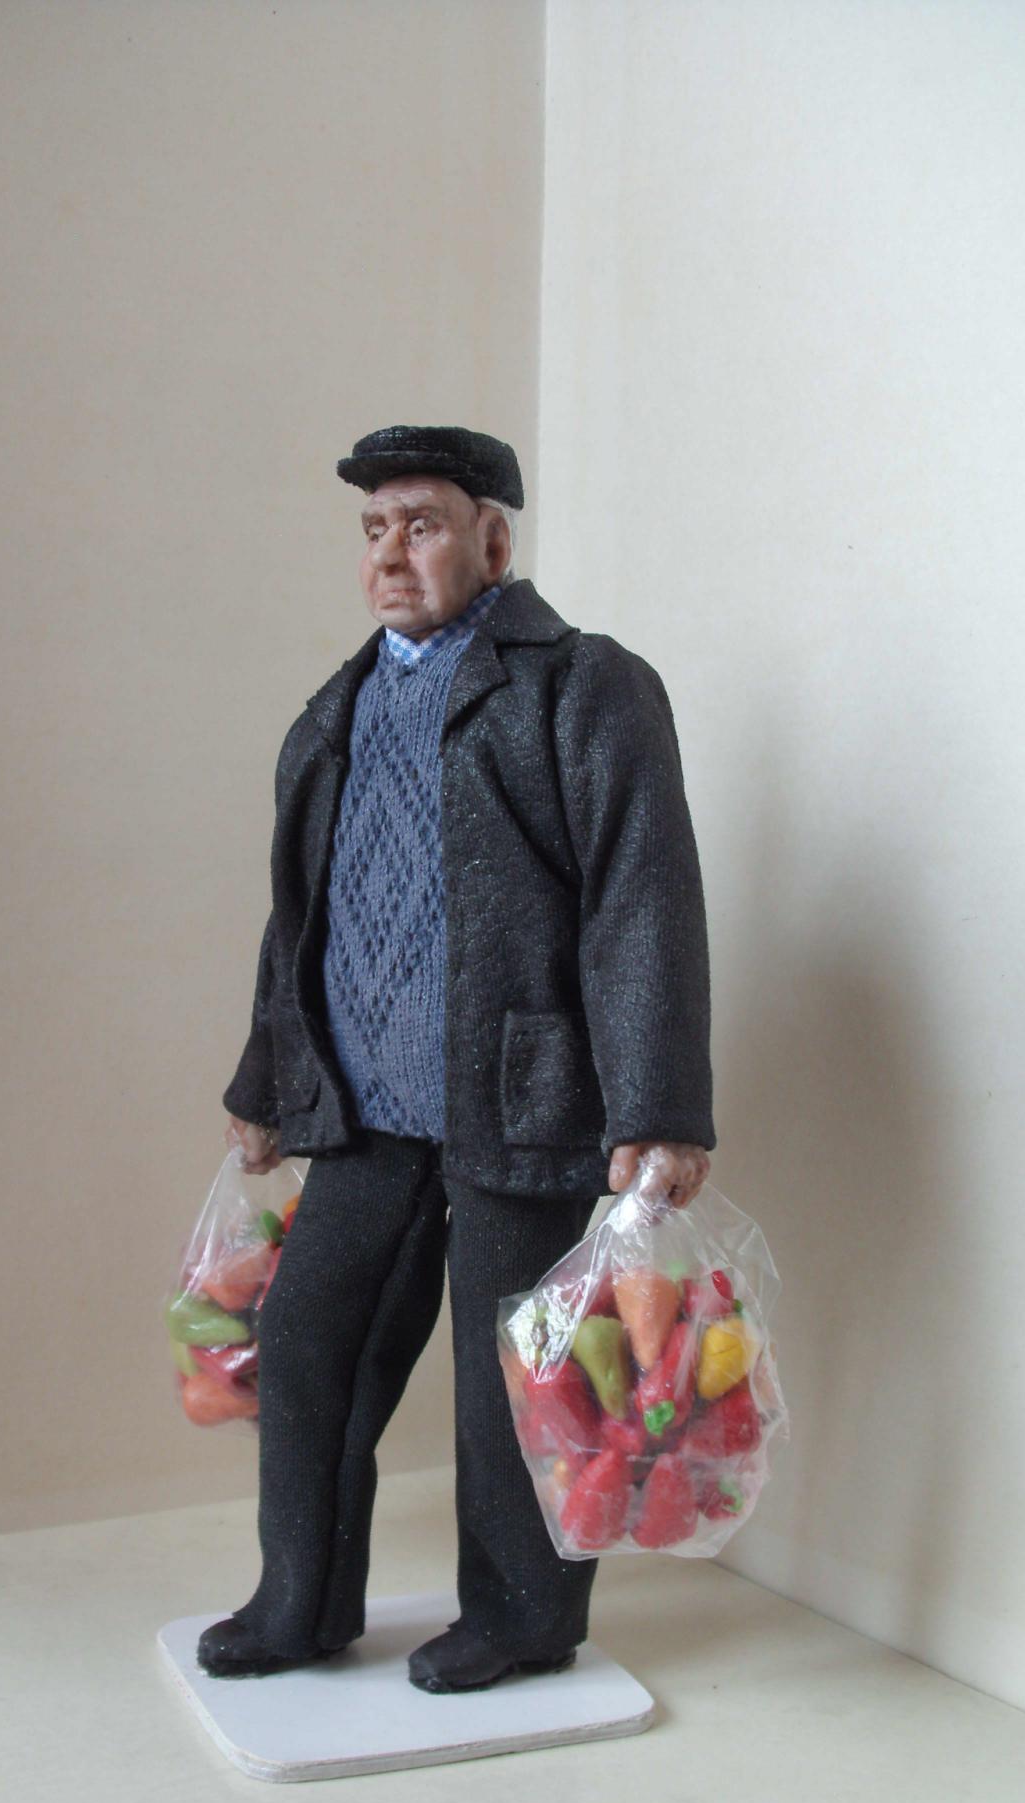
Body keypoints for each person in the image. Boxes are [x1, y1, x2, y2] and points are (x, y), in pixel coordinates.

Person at [197, 424, 715, 1693]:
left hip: (520, 1098)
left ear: (492, 536)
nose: (390, 553)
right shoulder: (335, 711)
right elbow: (298, 922)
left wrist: (657, 1106)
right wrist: (268, 1084)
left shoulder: (579, 686)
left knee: (513, 1375)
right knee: (308, 1340)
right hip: (366, 1107)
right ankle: (300, 1598)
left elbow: (641, 899)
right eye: (374, 528)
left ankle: (526, 1616)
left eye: (420, 523)